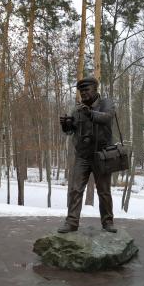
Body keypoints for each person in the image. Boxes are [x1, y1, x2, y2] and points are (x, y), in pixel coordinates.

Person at [58, 76, 117, 233]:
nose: (83, 93)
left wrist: (90, 113)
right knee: (75, 189)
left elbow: (107, 118)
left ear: (95, 89)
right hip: (82, 156)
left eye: (86, 90)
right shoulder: (77, 109)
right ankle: (71, 222)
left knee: (104, 191)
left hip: (102, 156)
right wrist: (66, 125)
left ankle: (108, 222)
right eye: (80, 91)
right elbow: (71, 131)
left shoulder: (106, 103)